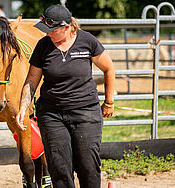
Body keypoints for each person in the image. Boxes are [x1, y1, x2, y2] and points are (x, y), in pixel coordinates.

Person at [16, 4, 115, 188]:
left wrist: (109, 102)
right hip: (52, 114)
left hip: (85, 112)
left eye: (51, 30)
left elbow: (109, 68)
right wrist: (23, 107)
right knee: (59, 167)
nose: (47, 34)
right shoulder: (43, 46)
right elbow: (31, 81)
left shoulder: (87, 41)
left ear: (66, 28)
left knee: (88, 165)